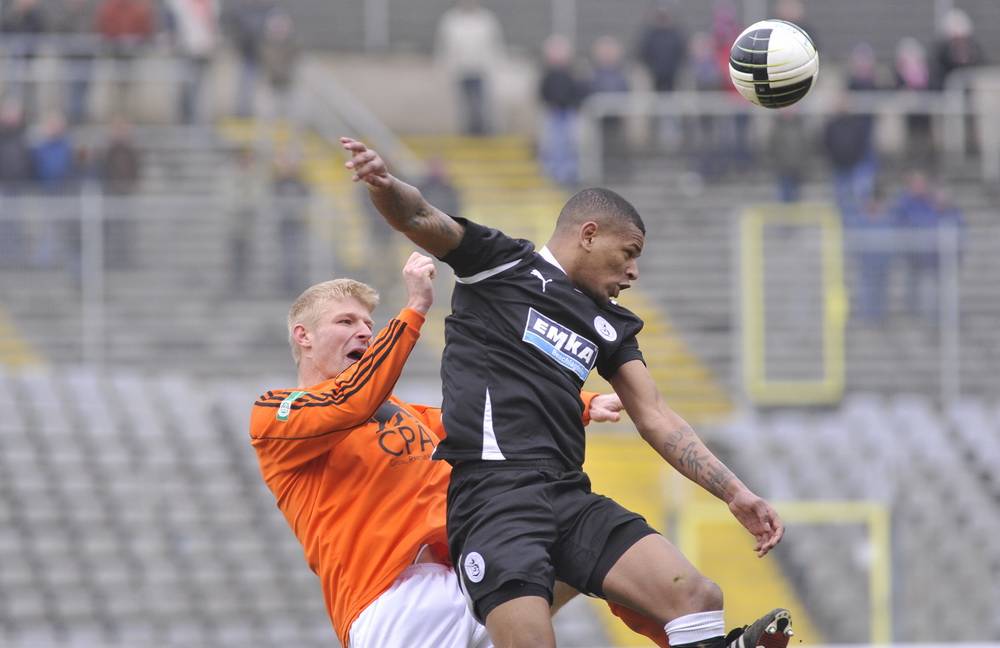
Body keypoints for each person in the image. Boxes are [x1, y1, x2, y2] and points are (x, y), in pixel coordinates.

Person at [341, 135, 793, 648]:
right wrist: (383, 183)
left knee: (696, 597)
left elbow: (656, 415)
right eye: (629, 253)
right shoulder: (502, 264)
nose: (634, 271)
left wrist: (735, 493)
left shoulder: (610, 322)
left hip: (567, 496)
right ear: (589, 234)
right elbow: (419, 218)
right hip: (494, 498)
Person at [248, 253, 669, 647]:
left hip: (465, 576)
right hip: (390, 601)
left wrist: (582, 403)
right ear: (303, 336)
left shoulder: (403, 414)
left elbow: (487, 416)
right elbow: (348, 401)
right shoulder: (276, 413)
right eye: (346, 321)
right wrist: (414, 307)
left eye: (367, 323)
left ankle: (688, 632)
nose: (363, 330)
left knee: (585, 538)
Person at [435, 0, 505, 136]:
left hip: (480, 69)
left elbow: (495, 45)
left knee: (482, 104)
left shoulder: (486, 20)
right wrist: (443, 67)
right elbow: (443, 47)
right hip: (460, 70)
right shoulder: (451, 20)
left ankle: (483, 132)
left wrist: (496, 67)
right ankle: (466, 133)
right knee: (463, 104)